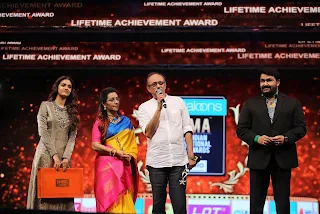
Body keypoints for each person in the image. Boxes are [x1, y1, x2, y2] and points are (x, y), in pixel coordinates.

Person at [236, 68, 306, 214]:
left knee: (282, 205)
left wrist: (286, 138)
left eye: (269, 80)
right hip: (258, 159)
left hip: (283, 159)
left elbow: (300, 128)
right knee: (256, 204)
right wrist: (257, 138)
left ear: (278, 82)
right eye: (262, 81)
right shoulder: (250, 103)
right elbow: (241, 130)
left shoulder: (292, 103)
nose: (265, 84)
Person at [138, 72, 197, 214]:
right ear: (148, 88)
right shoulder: (144, 108)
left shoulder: (178, 102)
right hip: (157, 163)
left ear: (165, 85)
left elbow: (187, 128)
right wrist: (158, 108)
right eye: (154, 84)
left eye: (161, 83)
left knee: (180, 205)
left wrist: (190, 154)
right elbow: (148, 132)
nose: (158, 86)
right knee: (158, 206)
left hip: (178, 161)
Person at [27, 76, 79, 210]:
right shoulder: (46, 106)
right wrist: (54, 155)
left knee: (62, 194)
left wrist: (66, 157)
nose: (66, 88)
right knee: (44, 195)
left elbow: (72, 137)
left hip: (64, 161)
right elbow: (42, 131)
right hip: (45, 155)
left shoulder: (72, 112)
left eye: (69, 86)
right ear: (57, 87)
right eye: (63, 85)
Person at [91, 87, 138, 213]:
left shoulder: (126, 122)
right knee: (109, 203)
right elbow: (95, 145)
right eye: (112, 100)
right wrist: (115, 152)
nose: (116, 102)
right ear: (104, 104)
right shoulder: (100, 123)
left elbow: (132, 145)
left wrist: (129, 156)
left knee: (124, 200)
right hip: (106, 169)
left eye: (117, 99)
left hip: (123, 166)